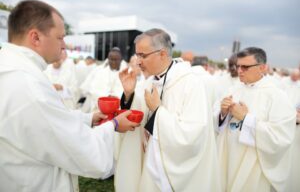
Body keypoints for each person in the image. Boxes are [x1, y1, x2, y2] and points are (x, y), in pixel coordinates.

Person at [0, 0, 139, 192]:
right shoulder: (29, 85)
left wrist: (89, 118)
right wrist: (113, 125)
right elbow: (81, 147)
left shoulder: (9, 67)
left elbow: (50, 120)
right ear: (35, 38)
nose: (64, 45)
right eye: (60, 37)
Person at [115, 28, 221, 192]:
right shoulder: (151, 81)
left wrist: (158, 112)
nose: (138, 62)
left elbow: (193, 134)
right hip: (152, 164)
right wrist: (129, 95)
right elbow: (140, 114)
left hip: (175, 174)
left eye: (143, 55)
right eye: (137, 55)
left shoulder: (190, 83)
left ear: (162, 54)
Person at [215, 47, 296, 191]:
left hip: (253, 167)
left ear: (262, 67)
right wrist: (222, 114)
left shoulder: (276, 96)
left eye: (245, 67)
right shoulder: (233, 90)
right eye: (238, 66)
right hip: (228, 160)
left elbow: (281, 137)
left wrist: (246, 118)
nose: (239, 71)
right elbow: (216, 124)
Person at [80, 47, 126, 112]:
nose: (113, 62)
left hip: (118, 107)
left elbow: (127, 93)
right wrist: (107, 96)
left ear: (120, 60)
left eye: (115, 60)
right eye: (111, 59)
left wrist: (115, 97)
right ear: (108, 59)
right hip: (99, 106)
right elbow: (92, 89)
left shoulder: (126, 73)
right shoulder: (100, 71)